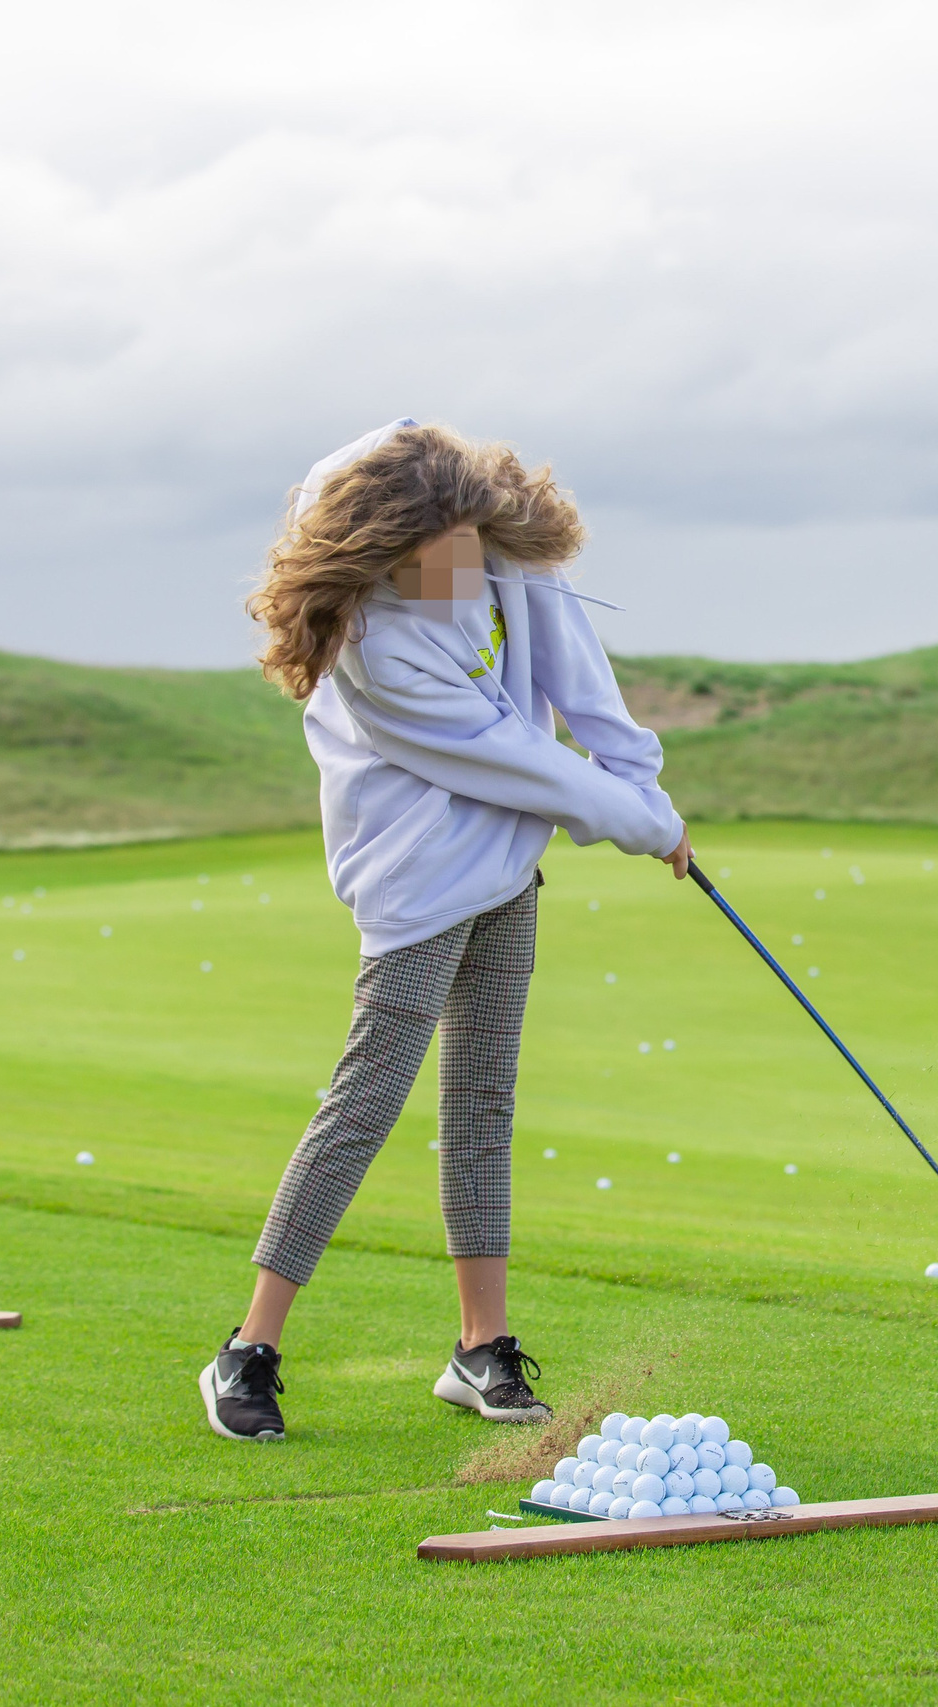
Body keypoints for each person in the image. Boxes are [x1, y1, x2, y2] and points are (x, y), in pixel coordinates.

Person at [200, 419, 689, 1443]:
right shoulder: (371, 646)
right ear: (380, 549)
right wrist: (642, 827)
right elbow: (516, 759)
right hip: (415, 872)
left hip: (509, 864)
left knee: (483, 1100)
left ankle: (480, 1352)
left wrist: (647, 789)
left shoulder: (496, 549)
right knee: (366, 1102)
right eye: (431, 557)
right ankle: (248, 1350)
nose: (459, 572)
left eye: (466, 545)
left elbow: (579, 687)